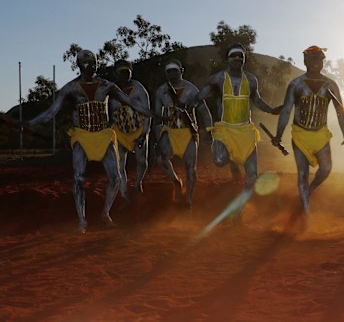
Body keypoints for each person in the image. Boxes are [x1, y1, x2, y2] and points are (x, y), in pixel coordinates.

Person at [26, 50, 151, 233]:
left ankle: (105, 214)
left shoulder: (106, 85)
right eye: (85, 64)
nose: (90, 67)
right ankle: (82, 221)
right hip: (82, 136)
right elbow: (51, 112)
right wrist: (28, 123)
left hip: (104, 134)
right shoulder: (71, 87)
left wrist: (151, 115)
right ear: (79, 66)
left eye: (93, 63)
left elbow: (131, 103)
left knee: (115, 178)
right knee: (78, 178)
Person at [194, 43, 281, 210]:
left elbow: (257, 100)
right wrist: (191, 103)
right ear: (228, 59)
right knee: (219, 160)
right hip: (225, 129)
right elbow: (199, 97)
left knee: (252, 176)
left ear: (244, 59)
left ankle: (239, 209)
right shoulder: (218, 78)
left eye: (240, 56)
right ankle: (232, 160)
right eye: (233, 56)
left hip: (245, 130)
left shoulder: (251, 80)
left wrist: (271, 110)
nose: (237, 59)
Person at [272, 45, 344, 213]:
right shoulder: (296, 85)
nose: (317, 63)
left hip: (321, 135)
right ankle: (306, 213)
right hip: (300, 135)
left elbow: (340, 113)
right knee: (302, 173)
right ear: (305, 61)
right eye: (313, 59)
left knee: (326, 168)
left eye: (320, 59)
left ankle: (309, 191)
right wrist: (278, 135)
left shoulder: (330, 85)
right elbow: (286, 111)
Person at [152, 59, 212, 208]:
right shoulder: (161, 91)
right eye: (169, 71)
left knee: (190, 169)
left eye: (175, 70)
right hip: (170, 131)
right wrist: (157, 138)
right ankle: (176, 182)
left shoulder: (191, 90)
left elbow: (204, 111)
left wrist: (209, 132)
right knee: (161, 159)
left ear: (181, 70)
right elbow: (157, 118)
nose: (172, 73)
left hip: (188, 132)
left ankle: (188, 200)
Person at [109, 59, 151, 202]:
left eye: (128, 72)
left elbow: (147, 112)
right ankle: (124, 195)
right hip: (119, 132)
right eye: (122, 72)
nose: (125, 75)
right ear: (116, 73)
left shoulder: (139, 89)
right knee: (120, 165)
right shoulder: (111, 91)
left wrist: (144, 133)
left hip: (138, 131)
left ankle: (138, 183)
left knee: (142, 161)